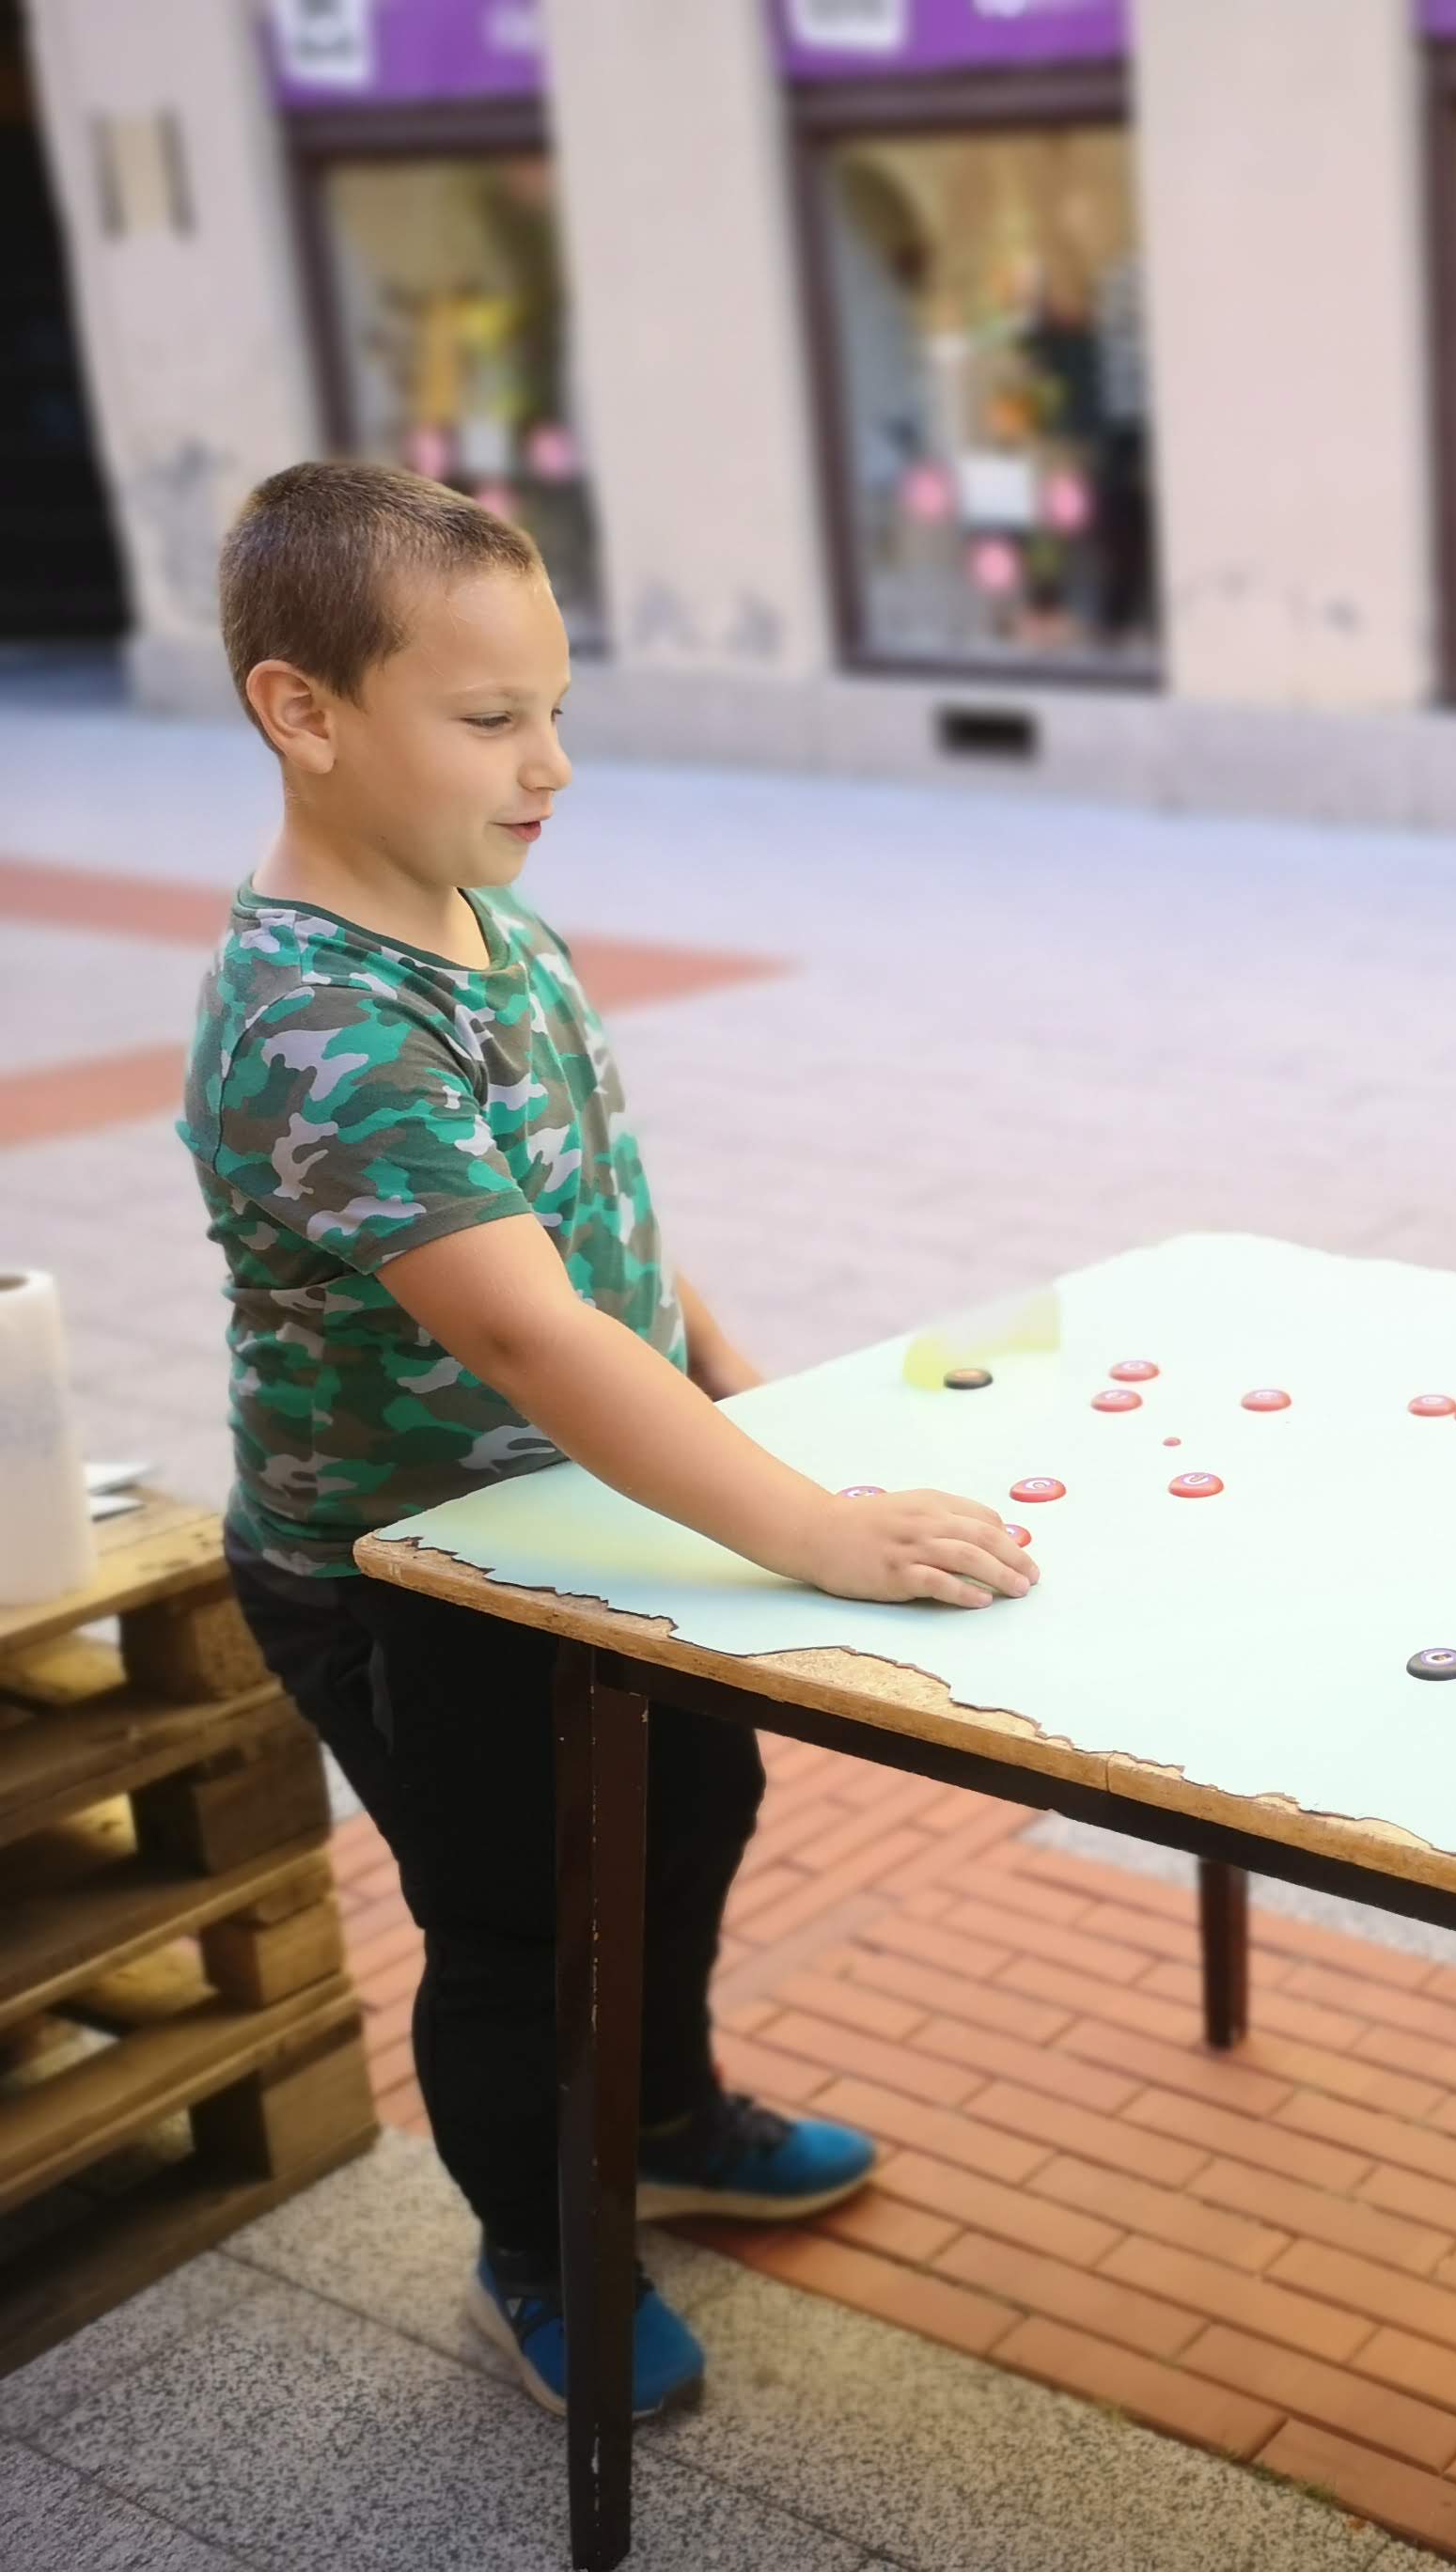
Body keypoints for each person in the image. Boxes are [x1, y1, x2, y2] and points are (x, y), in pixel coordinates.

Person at [184, 463, 1039, 2422]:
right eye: (491, 718)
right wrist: (810, 1528)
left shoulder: (491, 919)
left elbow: (593, 1233)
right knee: (521, 1926)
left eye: (556, 707)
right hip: (414, 1572)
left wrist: (729, 1379)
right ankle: (542, 2252)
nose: (550, 762)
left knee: (692, 1808)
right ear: (303, 712)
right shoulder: (321, 1022)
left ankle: (661, 2126)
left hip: (593, 1521)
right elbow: (523, 1326)